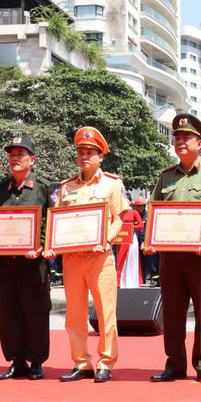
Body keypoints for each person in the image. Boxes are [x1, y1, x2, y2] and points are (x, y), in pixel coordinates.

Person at [147, 114, 201, 383]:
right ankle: (174, 364)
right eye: (177, 138)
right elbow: (155, 210)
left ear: (199, 143)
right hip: (171, 254)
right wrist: (150, 239)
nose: (181, 142)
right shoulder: (166, 176)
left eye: (186, 137)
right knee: (172, 310)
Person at [45, 127, 133, 383]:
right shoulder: (66, 187)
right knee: (74, 315)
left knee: (106, 313)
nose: (84, 157)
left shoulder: (112, 184)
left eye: (90, 153)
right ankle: (81, 362)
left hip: (99, 258)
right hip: (72, 259)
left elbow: (119, 218)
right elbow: (57, 220)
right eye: (81, 152)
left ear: (100, 156)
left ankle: (106, 362)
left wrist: (106, 240)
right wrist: (52, 245)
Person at [0, 136, 55, 381]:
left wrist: (42, 245)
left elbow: (52, 222)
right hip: (7, 263)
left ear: (31, 160)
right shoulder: (1, 189)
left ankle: (36, 362)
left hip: (34, 263)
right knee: (9, 314)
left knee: (36, 313)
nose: (14, 158)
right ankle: (17, 361)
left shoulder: (44, 188)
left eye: (20, 154)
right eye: (11, 154)